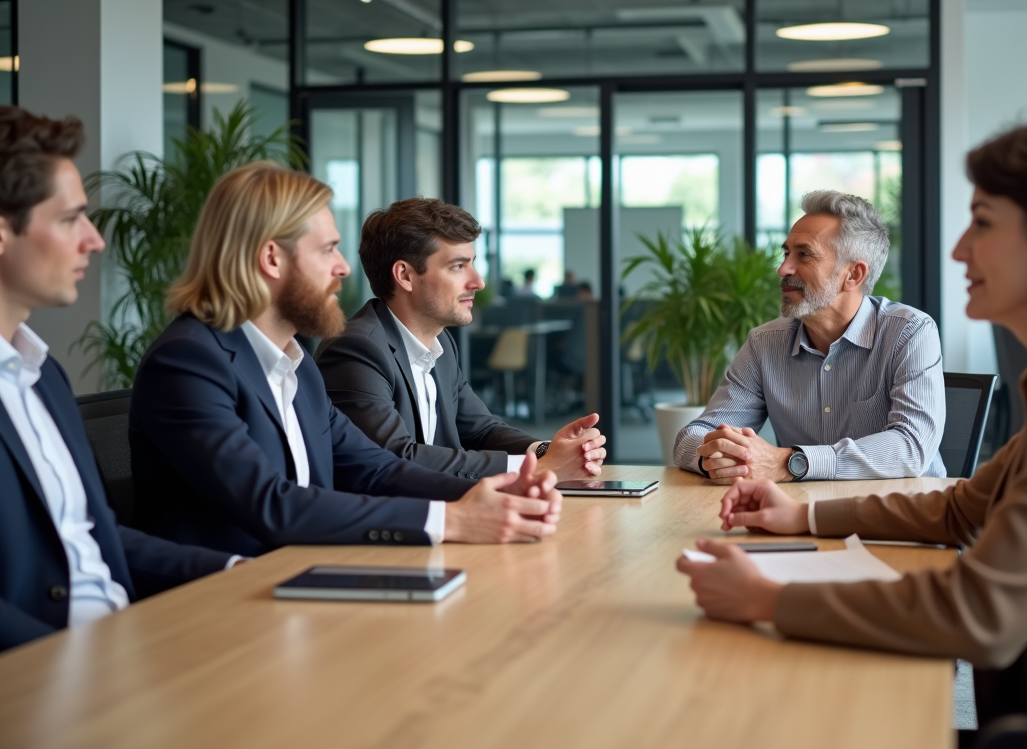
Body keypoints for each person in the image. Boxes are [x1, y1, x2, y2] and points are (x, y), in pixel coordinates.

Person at [677, 110, 1027, 727]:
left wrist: (768, 597)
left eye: (981, 223)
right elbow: (960, 506)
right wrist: (803, 512)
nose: (958, 249)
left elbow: (981, 609)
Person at [130, 163, 561, 558]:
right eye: (327, 250)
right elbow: (271, 503)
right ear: (271, 258)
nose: (344, 268)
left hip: (307, 575)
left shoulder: (295, 364)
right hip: (222, 603)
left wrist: (499, 490)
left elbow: (377, 469)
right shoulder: (189, 360)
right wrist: (453, 519)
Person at [0, 107, 237, 652]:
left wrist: (234, 570)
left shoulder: (42, 375)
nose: (95, 239)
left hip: (126, 648)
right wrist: (78, 674)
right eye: (69, 219)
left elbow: (89, 535)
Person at [315, 197, 607, 480]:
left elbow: (481, 430)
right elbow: (395, 457)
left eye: (473, 263)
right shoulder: (357, 349)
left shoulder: (440, 345)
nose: (478, 282)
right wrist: (537, 467)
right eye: (458, 266)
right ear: (405, 275)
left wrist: (546, 451)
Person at [674, 190, 946, 482]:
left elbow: (911, 448)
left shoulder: (910, 333)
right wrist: (718, 456)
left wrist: (790, 462)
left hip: (904, 514)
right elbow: (694, 436)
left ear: (853, 275)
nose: (783, 269)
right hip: (798, 512)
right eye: (786, 253)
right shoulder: (764, 343)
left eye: (804, 254)